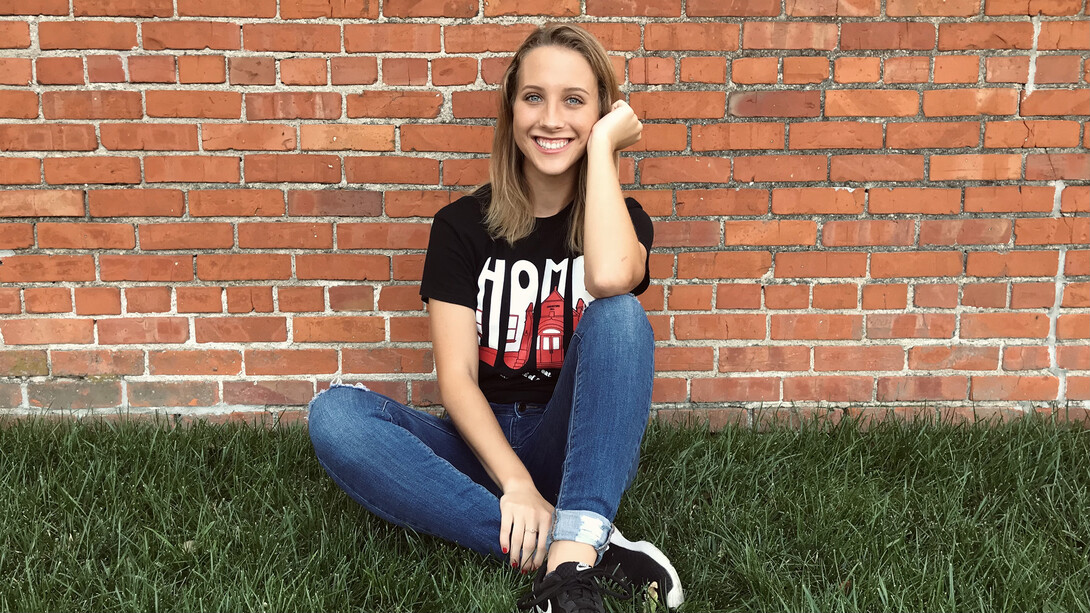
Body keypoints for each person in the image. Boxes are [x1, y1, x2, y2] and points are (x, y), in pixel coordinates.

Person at [307, 24, 684, 613]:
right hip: (479, 447)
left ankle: (561, 550)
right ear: (511, 111)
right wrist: (513, 483)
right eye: (533, 97)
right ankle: (580, 548)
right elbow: (456, 378)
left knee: (621, 319)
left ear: (602, 114)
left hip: (571, 440)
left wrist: (606, 149)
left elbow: (611, 279)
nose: (551, 119)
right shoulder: (460, 226)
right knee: (336, 416)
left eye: (575, 102)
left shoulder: (623, 220)